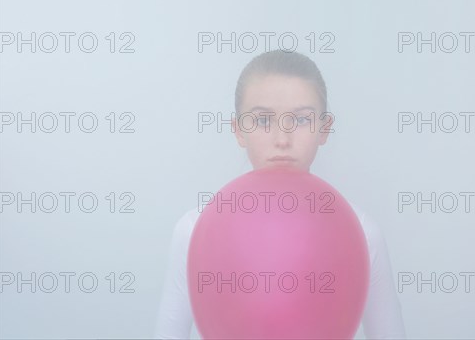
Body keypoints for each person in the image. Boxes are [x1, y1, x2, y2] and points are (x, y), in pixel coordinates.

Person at [155, 50, 406, 339]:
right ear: (238, 130)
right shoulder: (193, 230)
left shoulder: (362, 232)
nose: (282, 140)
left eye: (300, 120)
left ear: (324, 129)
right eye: (263, 120)